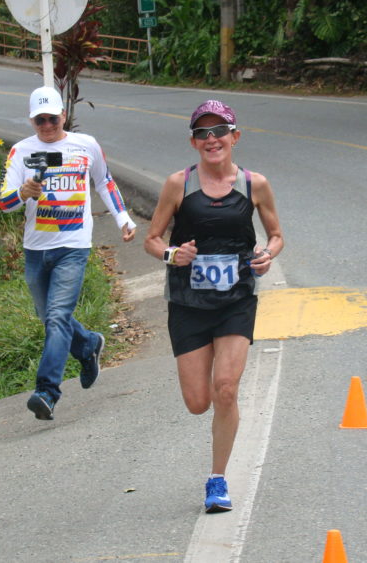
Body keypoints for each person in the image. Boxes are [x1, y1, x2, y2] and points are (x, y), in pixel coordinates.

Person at [144, 100, 284, 513]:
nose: (212, 139)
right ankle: (216, 467)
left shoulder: (254, 184)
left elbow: (276, 234)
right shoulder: (178, 185)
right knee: (198, 401)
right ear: (193, 142)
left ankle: (217, 480)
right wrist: (173, 255)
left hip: (235, 300)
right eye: (203, 133)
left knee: (226, 389)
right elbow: (153, 239)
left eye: (219, 131)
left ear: (234, 137)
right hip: (188, 302)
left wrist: (267, 254)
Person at [0, 86, 136, 421]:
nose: (47, 125)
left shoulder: (85, 145)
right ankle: (88, 346)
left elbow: (105, 181)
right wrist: (23, 192)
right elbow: (4, 203)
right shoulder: (20, 152)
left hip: (74, 246)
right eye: (39, 119)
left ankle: (47, 392)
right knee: (48, 316)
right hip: (36, 248)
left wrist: (123, 219)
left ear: (64, 115)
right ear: (32, 120)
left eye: (52, 117)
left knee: (57, 317)